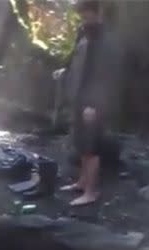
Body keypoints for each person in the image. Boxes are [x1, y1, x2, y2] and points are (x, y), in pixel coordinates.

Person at [56, 0, 121, 206]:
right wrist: (64, 71)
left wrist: (93, 104)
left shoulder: (103, 39)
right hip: (78, 95)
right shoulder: (83, 32)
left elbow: (103, 75)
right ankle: (82, 182)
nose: (83, 18)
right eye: (82, 14)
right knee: (82, 143)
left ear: (96, 13)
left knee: (92, 146)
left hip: (93, 101)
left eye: (86, 14)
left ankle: (92, 192)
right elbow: (74, 58)